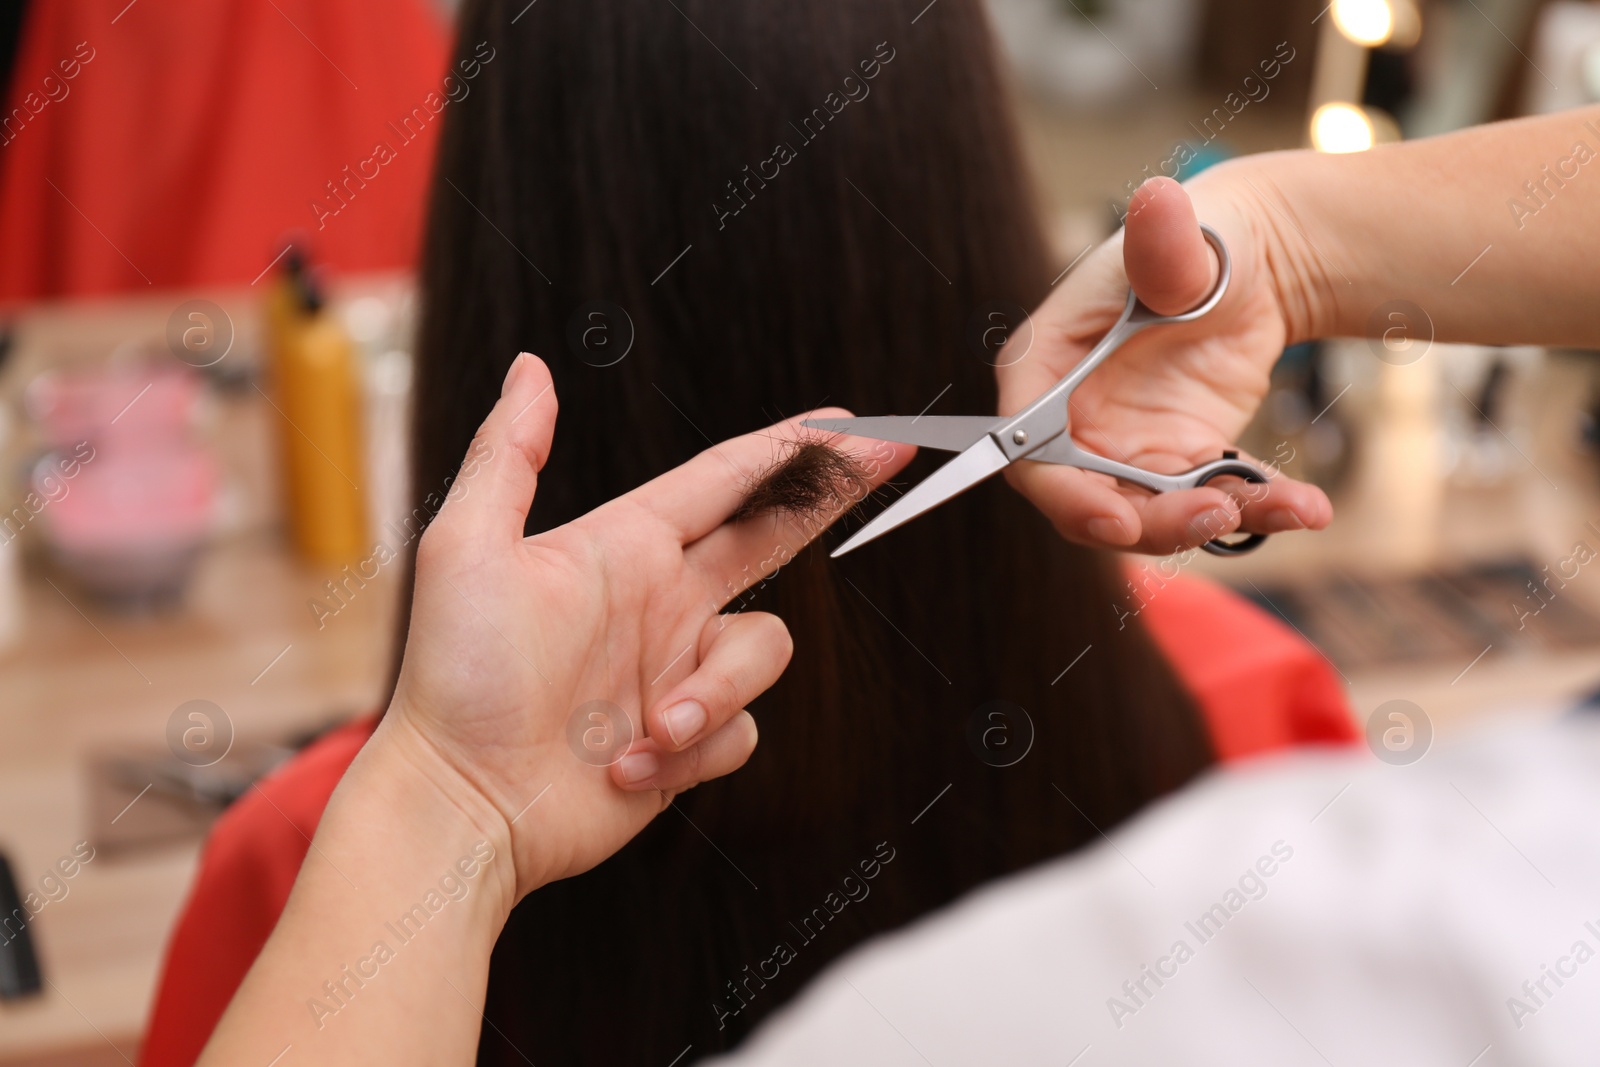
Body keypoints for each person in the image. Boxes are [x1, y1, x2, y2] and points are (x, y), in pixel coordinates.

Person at [190, 83, 1600, 1067]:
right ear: (983, 194)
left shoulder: (307, 876)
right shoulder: (1264, 713)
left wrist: (443, 811)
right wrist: (1288, 238)